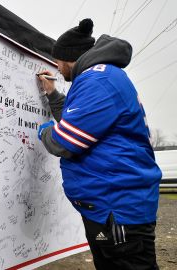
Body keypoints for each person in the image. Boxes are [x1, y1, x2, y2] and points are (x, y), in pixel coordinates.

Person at [37, 18, 161, 270]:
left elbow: (66, 142)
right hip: (111, 206)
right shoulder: (101, 78)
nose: (57, 68)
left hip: (116, 209)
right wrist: (53, 94)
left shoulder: (98, 81)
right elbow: (82, 125)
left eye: (57, 61)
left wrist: (45, 130)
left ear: (68, 58)